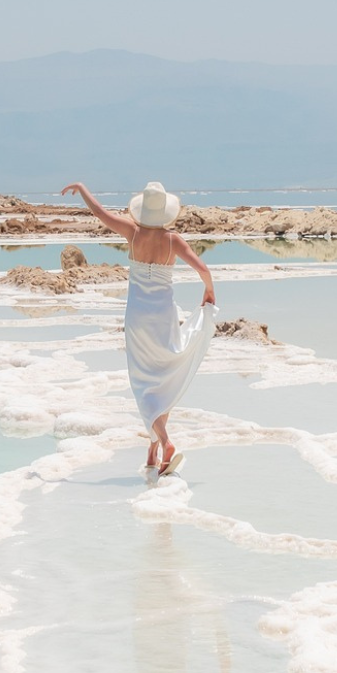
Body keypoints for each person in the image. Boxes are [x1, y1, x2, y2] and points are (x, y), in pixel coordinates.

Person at [61, 180, 216, 477]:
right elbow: (204, 271)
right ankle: (154, 446)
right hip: (164, 317)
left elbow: (100, 213)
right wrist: (209, 293)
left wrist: (82, 189)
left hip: (136, 319)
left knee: (145, 385)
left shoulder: (131, 233)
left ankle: (164, 444)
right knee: (163, 378)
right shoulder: (173, 240)